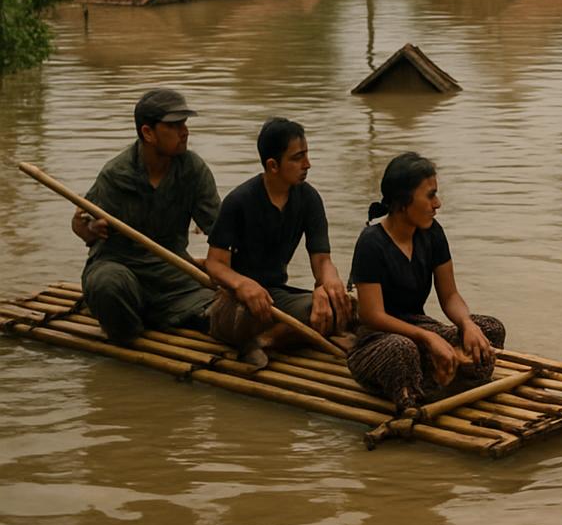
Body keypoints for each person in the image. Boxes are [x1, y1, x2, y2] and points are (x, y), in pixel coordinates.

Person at [346, 153, 505, 412]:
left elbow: (450, 296)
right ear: (403, 202)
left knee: (489, 329)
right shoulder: (371, 243)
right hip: (379, 340)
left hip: (420, 329)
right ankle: (423, 390)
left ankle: (431, 382)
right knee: (402, 349)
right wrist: (428, 338)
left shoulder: (433, 233)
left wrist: (466, 324)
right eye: (430, 196)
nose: (437, 203)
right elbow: (372, 315)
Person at [71, 89, 221, 344]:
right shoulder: (116, 174)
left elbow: (220, 230)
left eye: (184, 124)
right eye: (174, 126)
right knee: (108, 286)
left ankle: (154, 313)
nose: (184, 132)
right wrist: (90, 228)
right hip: (120, 265)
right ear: (148, 133)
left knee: (219, 313)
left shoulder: (193, 170)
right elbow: (80, 224)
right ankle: (130, 324)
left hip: (171, 273)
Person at [204, 118, 351, 367]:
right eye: (297, 158)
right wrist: (242, 284)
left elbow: (322, 260)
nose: (307, 165)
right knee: (310, 315)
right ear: (273, 165)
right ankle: (286, 336)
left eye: (307, 155)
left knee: (348, 306)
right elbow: (215, 264)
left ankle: (264, 342)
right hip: (237, 303)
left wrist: (329, 284)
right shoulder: (239, 201)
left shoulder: (308, 198)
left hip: (276, 296)